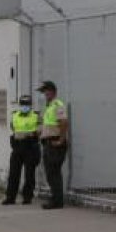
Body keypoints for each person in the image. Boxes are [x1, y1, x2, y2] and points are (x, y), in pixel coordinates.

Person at [3, 94, 41, 206]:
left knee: (29, 174)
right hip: (17, 147)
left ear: (30, 105)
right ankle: (10, 197)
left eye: (27, 104)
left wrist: (30, 134)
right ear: (20, 105)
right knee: (14, 173)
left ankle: (27, 197)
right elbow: (12, 128)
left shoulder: (36, 116)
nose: (25, 106)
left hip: (30, 146)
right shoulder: (14, 115)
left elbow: (39, 130)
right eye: (23, 104)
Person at [38, 81, 69, 209]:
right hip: (48, 143)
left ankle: (57, 201)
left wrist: (61, 140)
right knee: (50, 173)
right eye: (44, 91)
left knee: (54, 172)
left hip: (55, 143)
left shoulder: (57, 105)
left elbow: (64, 122)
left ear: (53, 91)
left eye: (46, 91)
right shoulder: (49, 106)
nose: (45, 94)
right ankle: (55, 199)